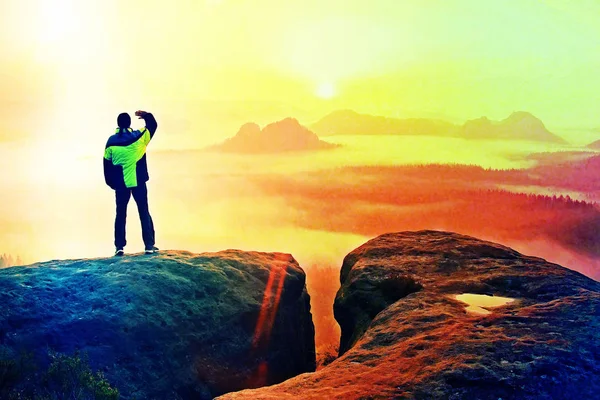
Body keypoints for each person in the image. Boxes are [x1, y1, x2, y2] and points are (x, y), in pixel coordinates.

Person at [103, 110, 158, 256]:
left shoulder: (111, 142)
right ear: (129, 123)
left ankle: (119, 247)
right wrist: (146, 115)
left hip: (121, 185)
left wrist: (112, 184)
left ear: (118, 123)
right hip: (138, 182)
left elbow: (106, 167)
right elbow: (153, 125)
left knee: (120, 214)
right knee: (144, 211)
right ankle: (149, 245)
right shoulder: (139, 136)